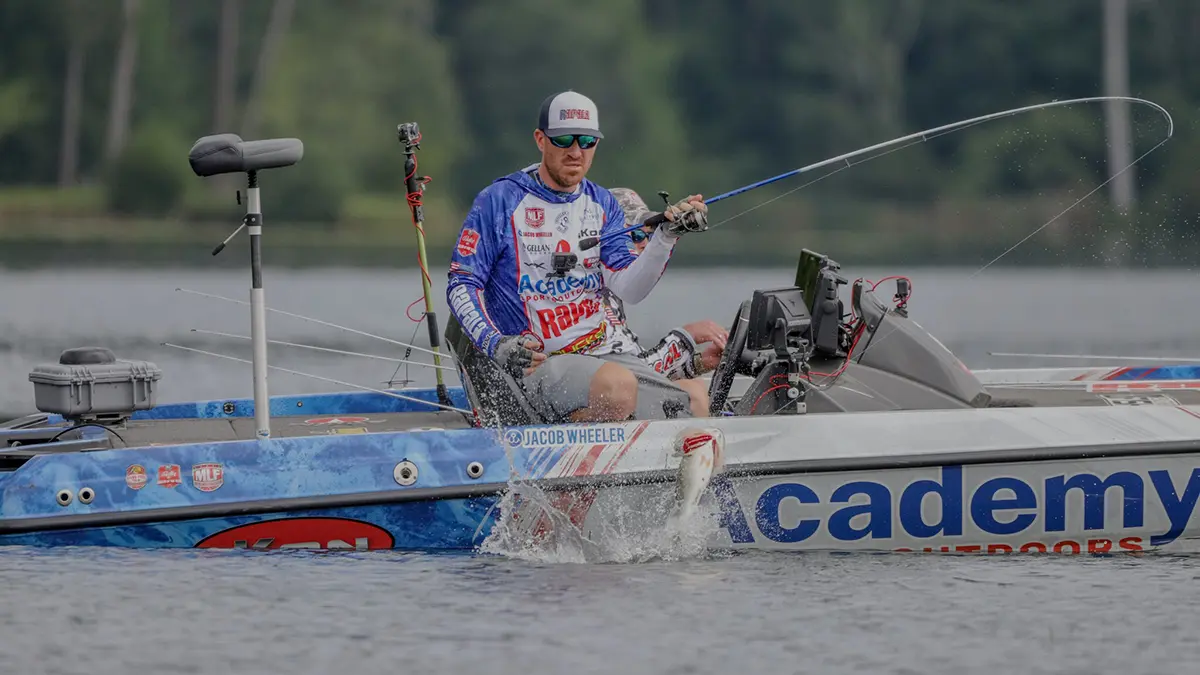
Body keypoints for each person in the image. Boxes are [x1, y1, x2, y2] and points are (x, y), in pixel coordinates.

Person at [446, 90, 710, 423]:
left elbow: (628, 288)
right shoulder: (499, 200)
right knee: (617, 388)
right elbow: (462, 285)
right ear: (540, 140)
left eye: (586, 141)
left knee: (697, 399)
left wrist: (665, 237)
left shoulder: (602, 203)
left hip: (602, 358)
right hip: (536, 365)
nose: (576, 152)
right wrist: (496, 344)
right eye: (564, 140)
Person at [605, 187, 728, 416]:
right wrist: (686, 337)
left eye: (650, 235)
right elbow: (623, 380)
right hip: (603, 406)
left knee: (694, 387)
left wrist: (698, 363)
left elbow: (641, 372)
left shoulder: (612, 293)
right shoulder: (590, 296)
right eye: (636, 235)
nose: (645, 243)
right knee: (692, 393)